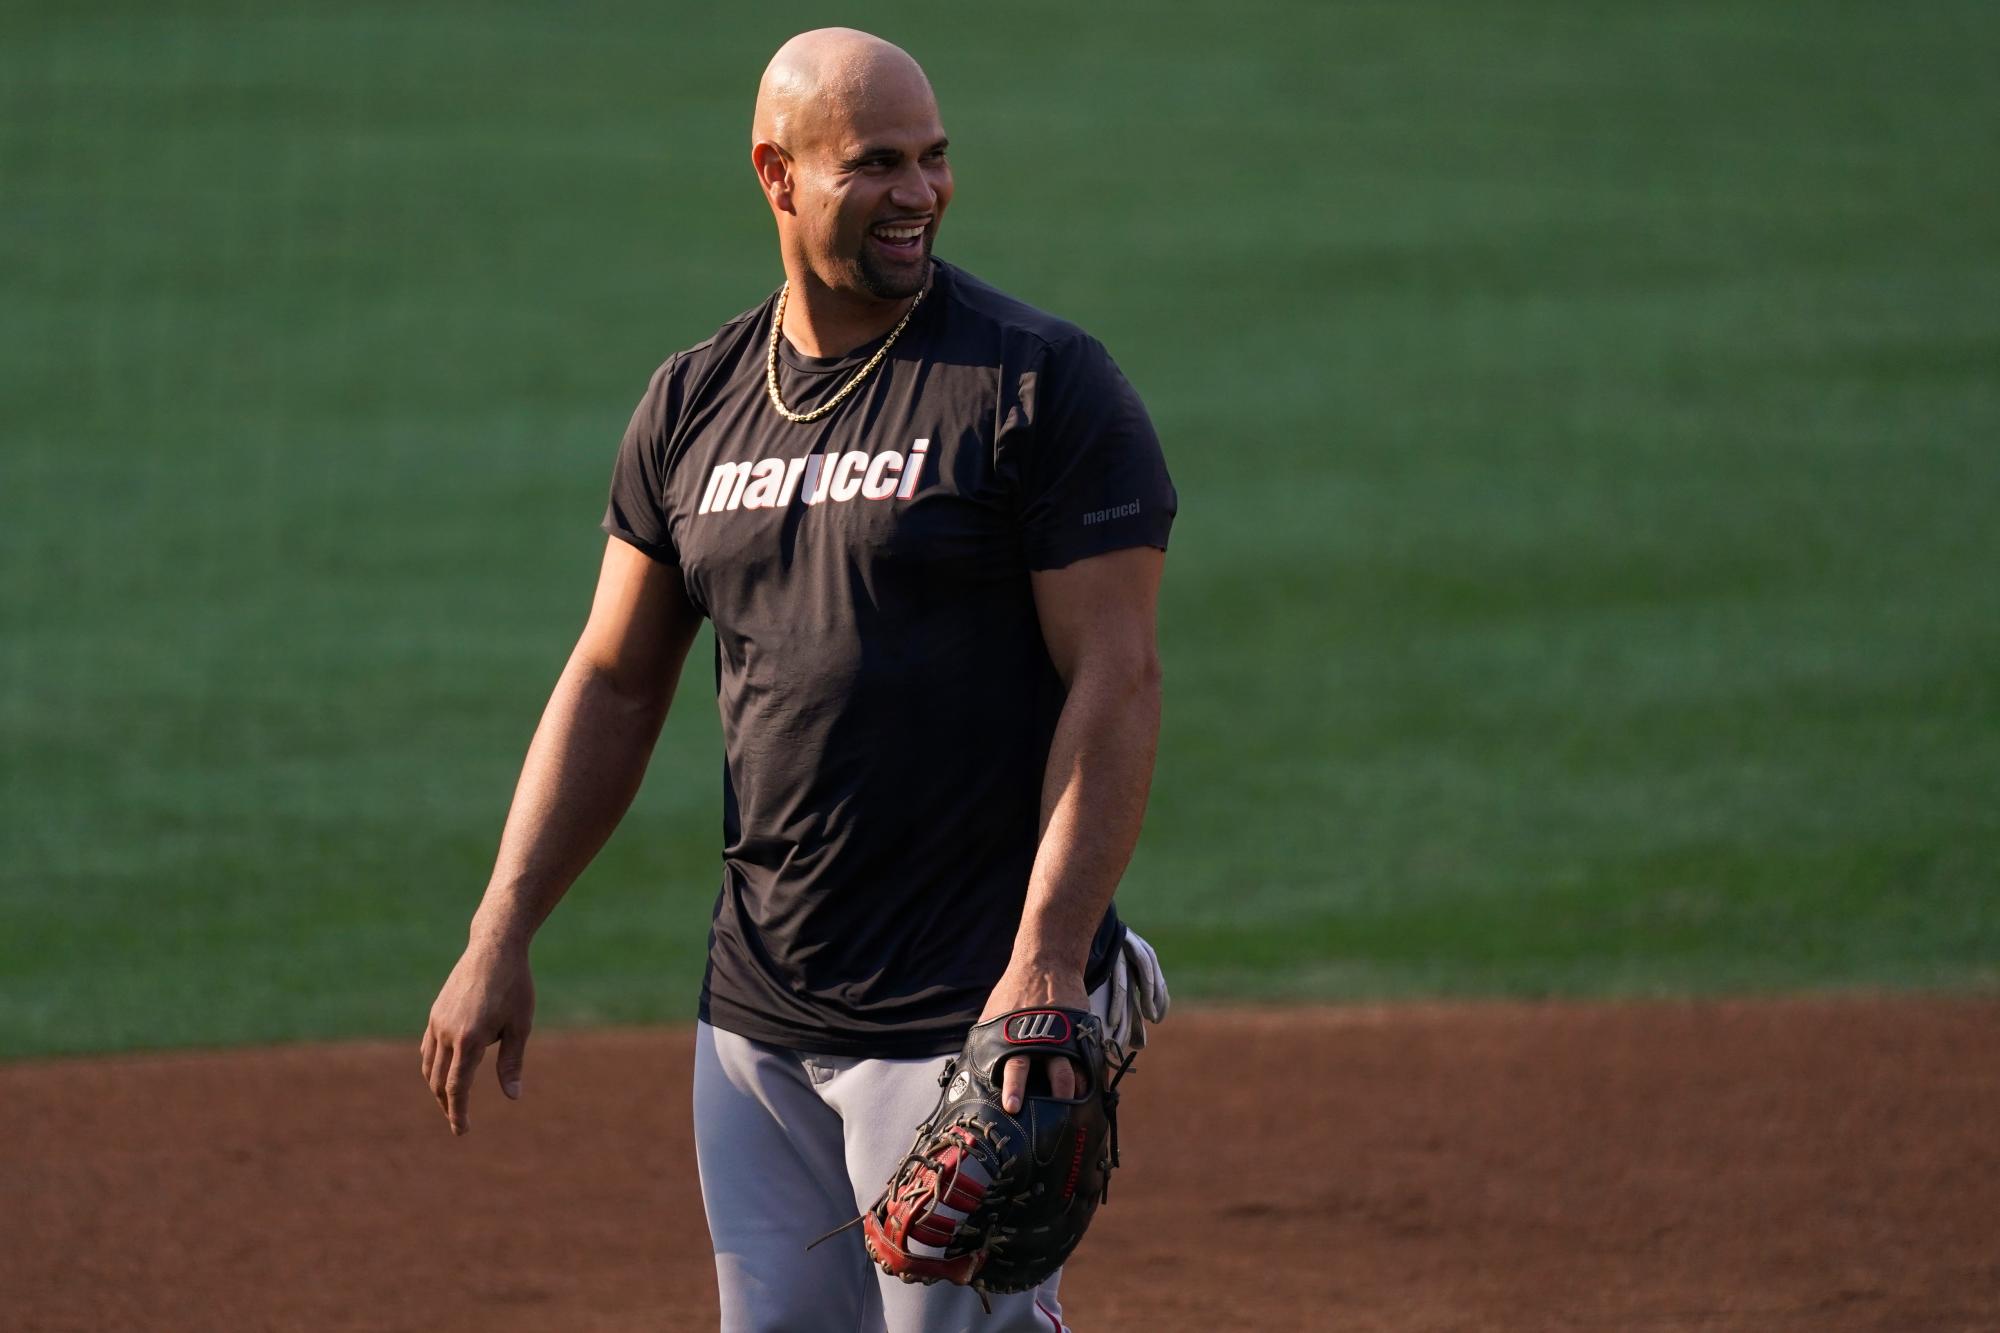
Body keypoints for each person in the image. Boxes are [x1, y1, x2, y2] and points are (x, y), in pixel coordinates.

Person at [419, 26, 1174, 1332]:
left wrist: (1049, 960)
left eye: (934, 160)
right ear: (777, 173)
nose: (920, 193)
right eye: (878, 163)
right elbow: (612, 678)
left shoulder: (1036, 385)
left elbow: (1118, 676)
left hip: (967, 1001)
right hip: (756, 1013)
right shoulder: (695, 405)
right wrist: (503, 925)